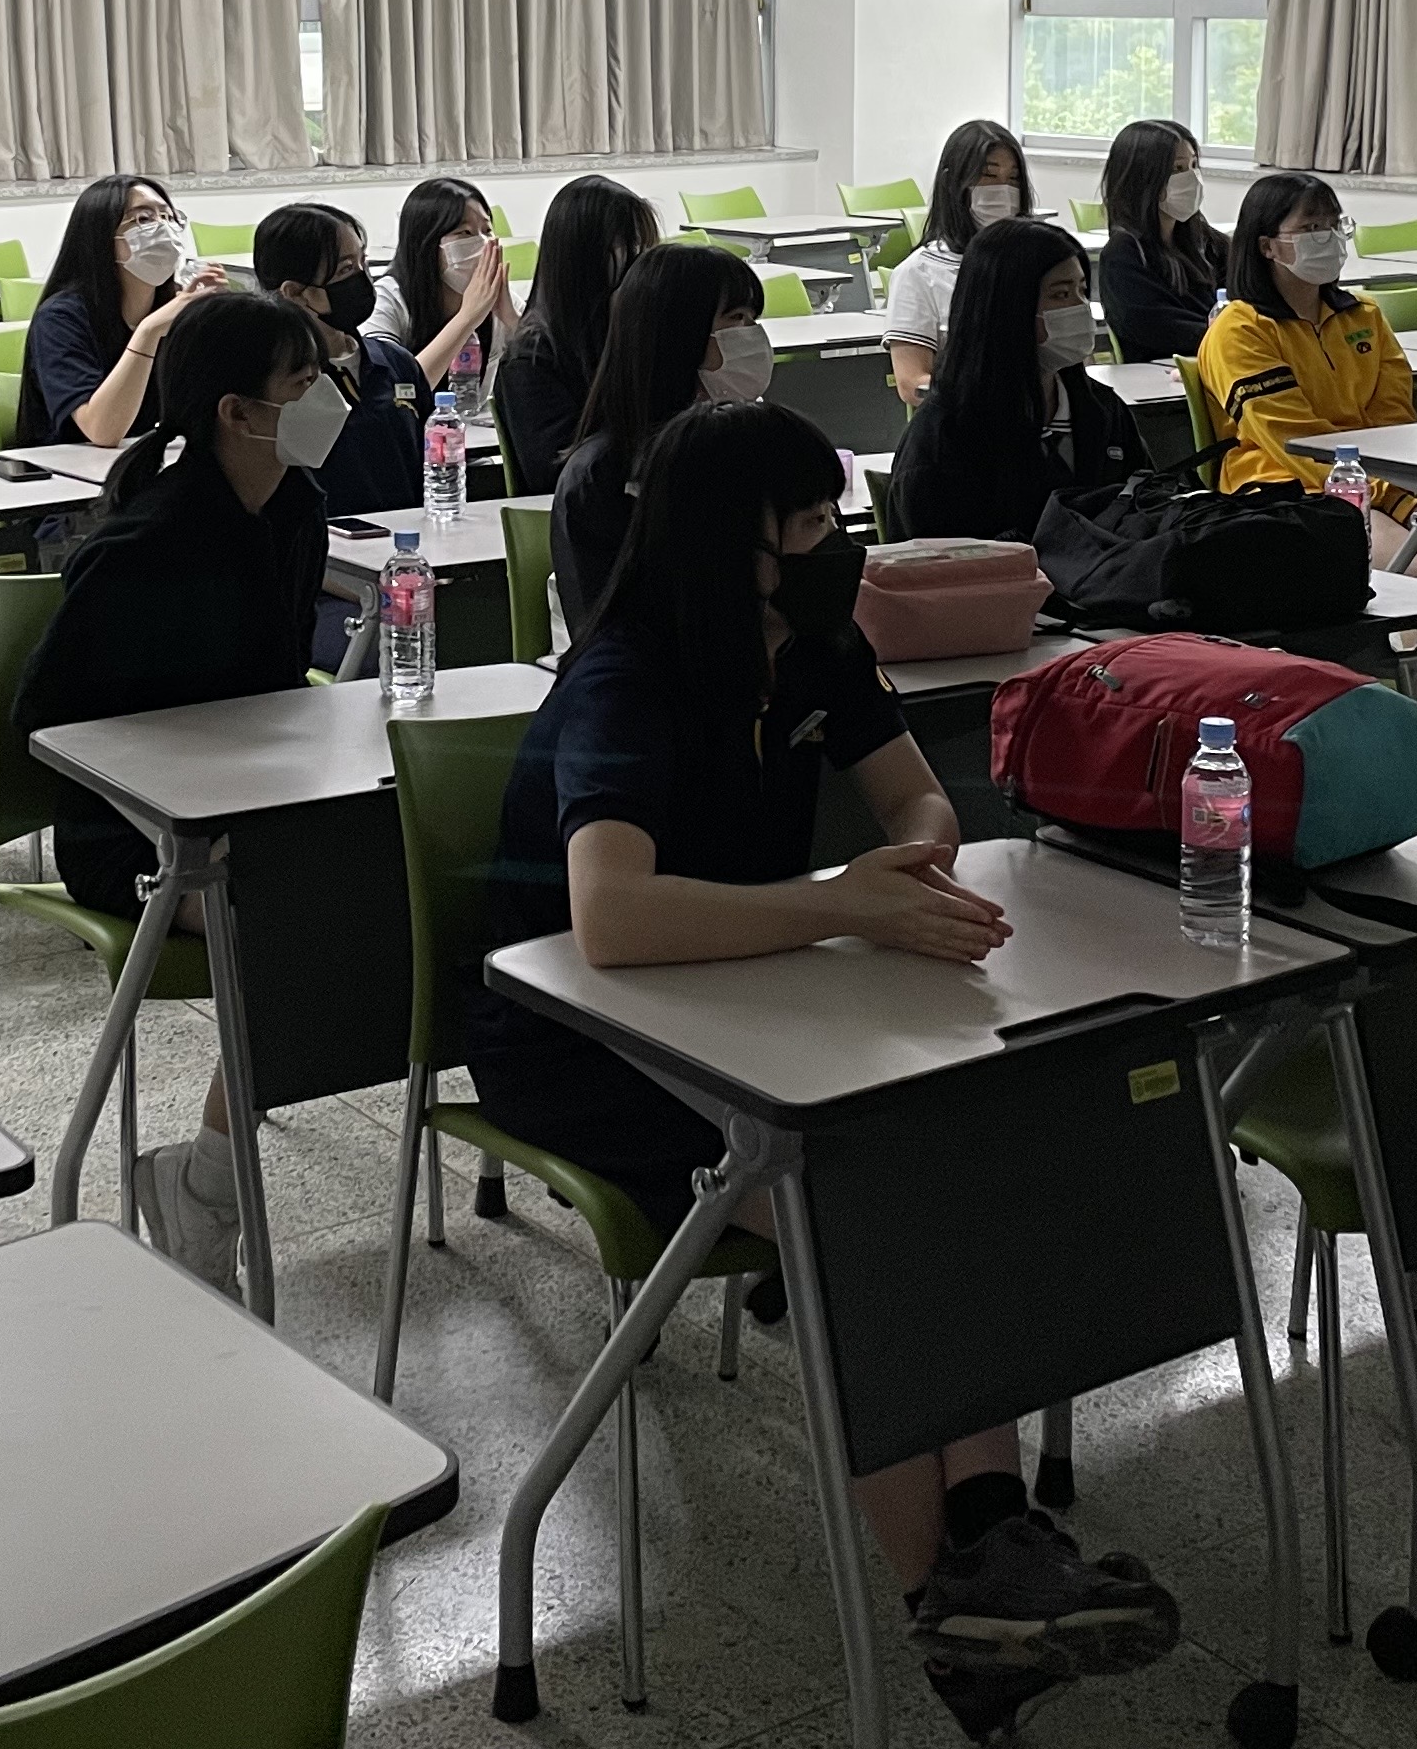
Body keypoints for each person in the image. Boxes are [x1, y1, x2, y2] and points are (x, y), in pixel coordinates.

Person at [469, 401, 1180, 1739]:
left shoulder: (814, 648)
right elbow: (610, 920)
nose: (836, 542)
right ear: (727, 541)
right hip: (585, 1045)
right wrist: (842, 905)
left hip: (755, 1002)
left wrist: (912, 853)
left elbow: (914, 793)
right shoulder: (629, 675)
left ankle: (992, 1556)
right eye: (807, 523)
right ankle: (951, 1602)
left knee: (953, 1165)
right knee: (858, 1216)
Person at [11, 292, 337, 1287]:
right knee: (309, 921)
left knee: (380, 888)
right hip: (133, 833)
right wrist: (176, 798)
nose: (328, 398)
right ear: (237, 412)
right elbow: (41, 727)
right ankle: (210, 1195)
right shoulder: (145, 545)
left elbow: (275, 688)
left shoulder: (295, 508)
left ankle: (198, 1183)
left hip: (251, 803)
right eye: (303, 383)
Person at [1198, 172, 1417, 741]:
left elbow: (1393, 424)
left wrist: (1406, 496)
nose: (1328, 238)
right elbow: (1296, 445)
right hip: (1287, 493)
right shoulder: (1239, 330)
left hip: (1375, 484)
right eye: (1309, 227)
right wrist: (1404, 504)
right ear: (1267, 246)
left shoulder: (1363, 316)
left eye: (1333, 224)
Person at [550, 242, 770, 634]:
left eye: (754, 319)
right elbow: (605, 628)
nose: (752, 335)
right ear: (680, 334)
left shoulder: (762, 442)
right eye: (736, 318)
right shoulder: (600, 477)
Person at [889, 217, 1149, 544]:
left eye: (1082, 291)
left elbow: (1146, 504)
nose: (1080, 308)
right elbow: (936, 563)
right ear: (1008, 308)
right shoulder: (944, 439)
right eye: (1060, 294)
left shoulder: (1102, 408)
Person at [251, 198, 434, 525]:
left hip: (410, 540)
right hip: (326, 546)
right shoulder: (277, 384)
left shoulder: (396, 363)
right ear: (295, 292)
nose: (363, 278)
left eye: (363, 261)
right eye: (346, 269)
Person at [17, 173, 227, 449]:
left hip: (150, 456)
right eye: (144, 218)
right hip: (68, 465)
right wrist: (148, 332)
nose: (162, 227)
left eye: (168, 217)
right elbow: (102, 431)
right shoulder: (60, 318)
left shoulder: (178, 306)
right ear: (101, 238)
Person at [495, 174, 656, 481]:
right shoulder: (531, 358)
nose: (642, 260)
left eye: (644, 245)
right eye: (630, 244)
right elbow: (555, 473)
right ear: (586, 254)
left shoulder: (636, 330)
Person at [885, 120, 1034, 406]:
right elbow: (911, 383)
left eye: (1013, 179)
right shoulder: (919, 273)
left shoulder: (1037, 261)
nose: (1003, 190)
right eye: (988, 175)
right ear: (953, 182)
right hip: (967, 418)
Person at [1093, 119, 1225, 366]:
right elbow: (1159, 328)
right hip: (1163, 374)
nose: (1192, 177)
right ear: (1144, 177)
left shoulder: (1207, 241)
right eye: (1178, 169)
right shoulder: (1124, 254)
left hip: (1219, 362)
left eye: (1193, 165)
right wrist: (1229, 335)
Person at [367, 175, 514, 393]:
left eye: (487, 230)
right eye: (465, 233)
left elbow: (549, 365)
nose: (483, 244)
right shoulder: (387, 300)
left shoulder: (492, 296)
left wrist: (510, 317)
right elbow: (393, 389)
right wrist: (467, 318)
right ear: (426, 243)